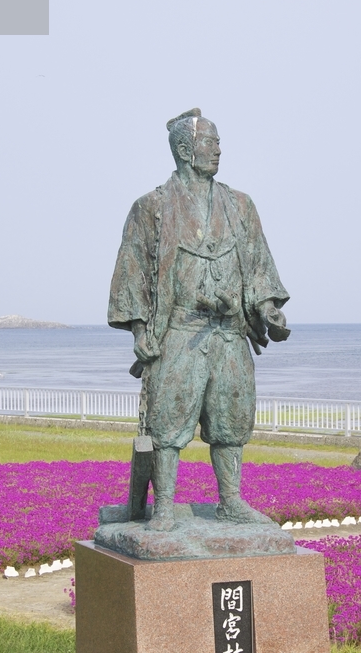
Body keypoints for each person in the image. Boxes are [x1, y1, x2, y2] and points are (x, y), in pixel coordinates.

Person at [108, 109, 290, 531]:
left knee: (231, 420)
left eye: (218, 142)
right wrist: (140, 330)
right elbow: (132, 272)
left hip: (229, 334)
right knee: (168, 424)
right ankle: (164, 506)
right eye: (211, 142)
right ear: (186, 150)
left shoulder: (240, 205)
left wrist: (268, 309)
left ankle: (231, 501)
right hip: (180, 332)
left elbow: (258, 267)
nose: (219, 150)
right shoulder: (152, 207)